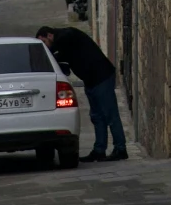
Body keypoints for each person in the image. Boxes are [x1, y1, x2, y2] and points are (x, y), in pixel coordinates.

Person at [37, 24, 127, 161]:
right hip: (91, 81)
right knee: (97, 116)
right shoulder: (64, 44)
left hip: (102, 77)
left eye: (44, 42)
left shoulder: (66, 35)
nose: (47, 47)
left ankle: (120, 149)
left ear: (49, 35)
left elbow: (65, 41)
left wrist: (49, 53)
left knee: (110, 114)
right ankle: (99, 150)